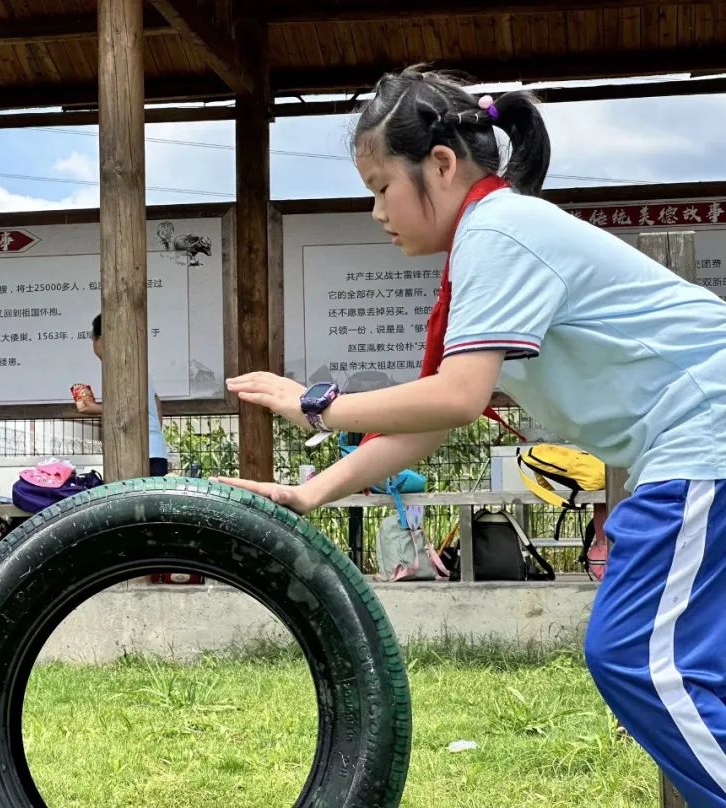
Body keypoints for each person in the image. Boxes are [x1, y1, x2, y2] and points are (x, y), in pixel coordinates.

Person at [216, 66, 726, 807]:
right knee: (678, 661)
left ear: (442, 166)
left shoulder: (500, 232)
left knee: (637, 657)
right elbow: (431, 420)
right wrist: (309, 492)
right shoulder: (491, 238)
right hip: (696, 444)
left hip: (705, 437)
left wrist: (320, 407)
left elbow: (452, 399)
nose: (376, 211)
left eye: (381, 187)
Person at [74, 313, 169, 477]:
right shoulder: (136, 363)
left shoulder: (120, 366)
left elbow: (128, 408)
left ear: (102, 338)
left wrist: (92, 408)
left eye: (93, 339)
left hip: (135, 455)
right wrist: (153, 437)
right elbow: (156, 404)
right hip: (156, 452)